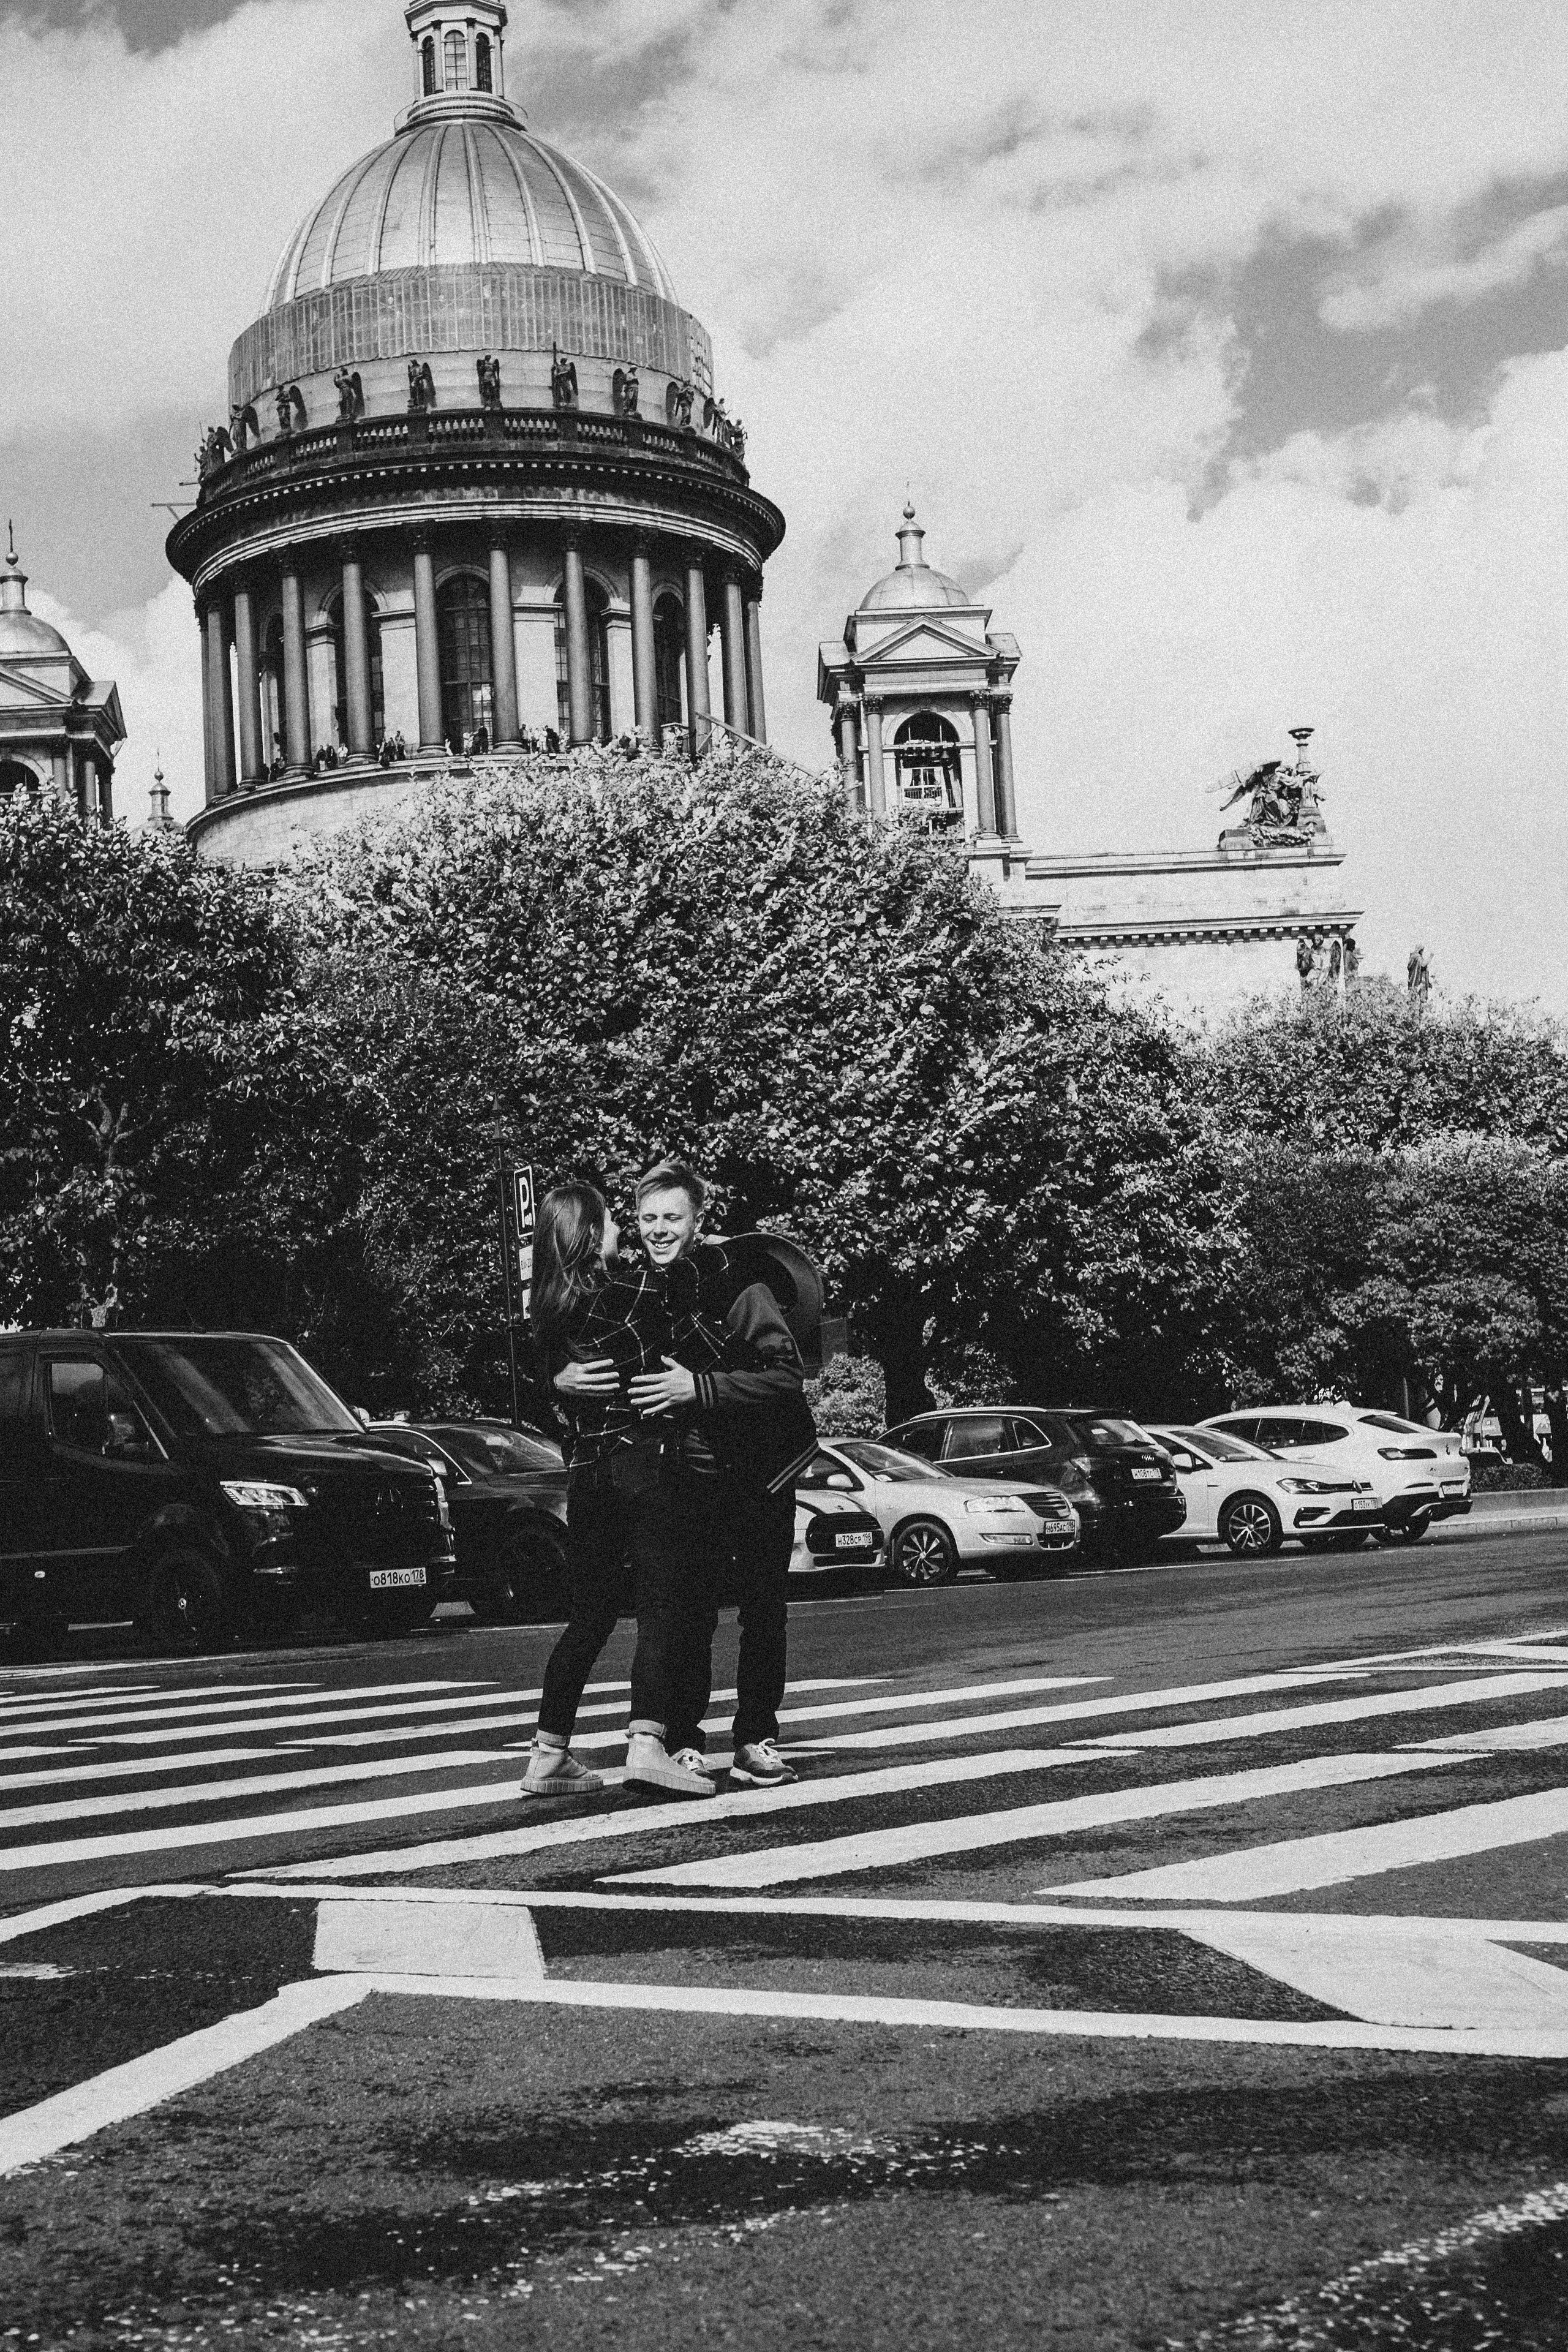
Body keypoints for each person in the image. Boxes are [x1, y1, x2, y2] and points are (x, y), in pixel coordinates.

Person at [624, 1161, 817, 1789]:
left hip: (760, 1470)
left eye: (671, 1218)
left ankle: (756, 1737)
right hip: (687, 1477)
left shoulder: (738, 1286)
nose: (659, 1230)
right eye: (649, 1218)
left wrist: (699, 1387)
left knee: (763, 1607)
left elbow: (785, 1376)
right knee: (690, 1612)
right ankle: (684, 1742)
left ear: (697, 1221)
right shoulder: (636, 1294)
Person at [526, 1181, 718, 1801]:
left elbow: (531, 1379)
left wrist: (554, 1382)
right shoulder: (629, 1291)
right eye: (612, 1223)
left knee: (590, 1616)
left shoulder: (549, 1311)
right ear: (587, 1234)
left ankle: (549, 1752)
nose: (627, 1233)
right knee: (662, 1604)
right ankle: (647, 1742)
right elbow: (689, 1285)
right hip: (640, 1460)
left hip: (584, 1475)